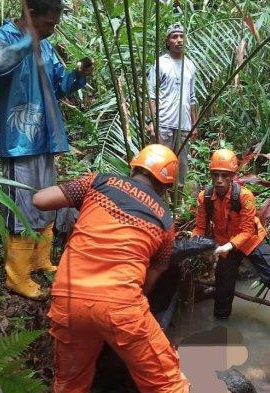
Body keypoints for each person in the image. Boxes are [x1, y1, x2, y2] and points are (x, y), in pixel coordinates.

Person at [32, 144, 189, 392]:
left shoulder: (99, 183)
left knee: (70, 382)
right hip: (120, 305)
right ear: (166, 186)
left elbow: (40, 200)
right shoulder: (165, 219)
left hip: (68, 300)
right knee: (166, 382)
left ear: (134, 166)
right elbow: (152, 277)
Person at [0, 0, 93, 299]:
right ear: (30, 16)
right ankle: (16, 276)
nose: (51, 30)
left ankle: (39, 260)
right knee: (22, 207)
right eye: (47, 24)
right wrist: (28, 40)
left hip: (45, 137)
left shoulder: (46, 47)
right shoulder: (0, 38)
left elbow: (60, 87)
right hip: (18, 139)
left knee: (46, 201)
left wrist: (79, 74)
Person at [191, 149, 270, 344]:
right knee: (223, 287)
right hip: (225, 243)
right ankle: (221, 325)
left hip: (252, 240)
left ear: (232, 176)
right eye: (216, 175)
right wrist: (192, 244)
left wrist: (229, 246)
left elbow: (247, 231)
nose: (220, 180)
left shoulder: (245, 196)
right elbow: (200, 227)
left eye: (225, 175)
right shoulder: (204, 198)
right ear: (211, 175)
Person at [146, 22, 197, 188]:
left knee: (181, 165)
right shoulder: (161, 63)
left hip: (184, 125)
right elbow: (151, 95)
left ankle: (179, 199)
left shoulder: (190, 65)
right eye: (175, 37)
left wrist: (194, 124)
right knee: (162, 163)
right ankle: (161, 198)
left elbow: (192, 97)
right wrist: (151, 121)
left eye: (182, 36)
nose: (179, 40)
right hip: (164, 123)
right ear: (168, 41)